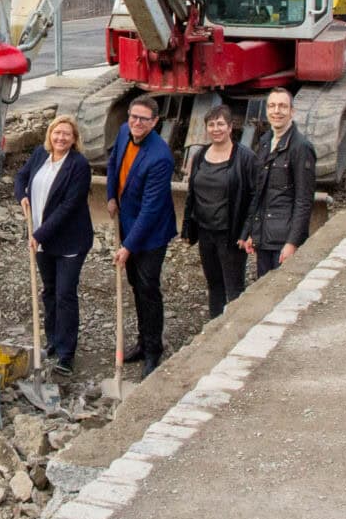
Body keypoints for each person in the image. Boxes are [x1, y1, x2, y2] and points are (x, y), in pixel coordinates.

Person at [13, 115, 94, 375]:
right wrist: (22, 196)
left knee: (65, 294)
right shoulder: (40, 155)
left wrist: (40, 235)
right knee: (49, 292)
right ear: (50, 135)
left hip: (69, 240)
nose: (61, 138)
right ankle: (52, 342)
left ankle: (67, 354)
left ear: (74, 139)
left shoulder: (79, 165)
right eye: (57, 133)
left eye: (66, 134)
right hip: (42, 240)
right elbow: (21, 177)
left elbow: (68, 207)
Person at [106, 95, 177, 377]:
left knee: (147, 288)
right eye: (133, 117)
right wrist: (111, 195)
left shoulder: (160, 157)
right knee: (135, 284)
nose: (136, 123)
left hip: (151, 234)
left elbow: (150, 209)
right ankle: (141, 340)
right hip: (127, 220)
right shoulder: (125, 132)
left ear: (155, 122)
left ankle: (152, 350)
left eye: (143, 119)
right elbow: (113, 162)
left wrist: (127, 247)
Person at [181, 105, 259, 319]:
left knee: (233, 287)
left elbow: (254, 197)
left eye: (220, 124)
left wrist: (247, 232)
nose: (216, 129)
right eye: (211, 124)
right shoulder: (199, 155)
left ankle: (234, 329)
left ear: (230, 127)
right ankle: (214, 325)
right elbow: (191, 195)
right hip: (206, 232)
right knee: (214, 284)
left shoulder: (245, 158)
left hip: (230, 234)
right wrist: (188, 228)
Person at [244, 87, 317, 277]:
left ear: (292, 111)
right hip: (265, 237)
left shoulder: (301, 148)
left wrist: (292, 243)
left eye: (282, 106)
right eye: (272, 106)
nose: (277, 111)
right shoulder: (266, 142)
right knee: (263, 291)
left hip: (283, 240)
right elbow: (259, 193)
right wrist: (253, 232)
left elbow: (304, 200)